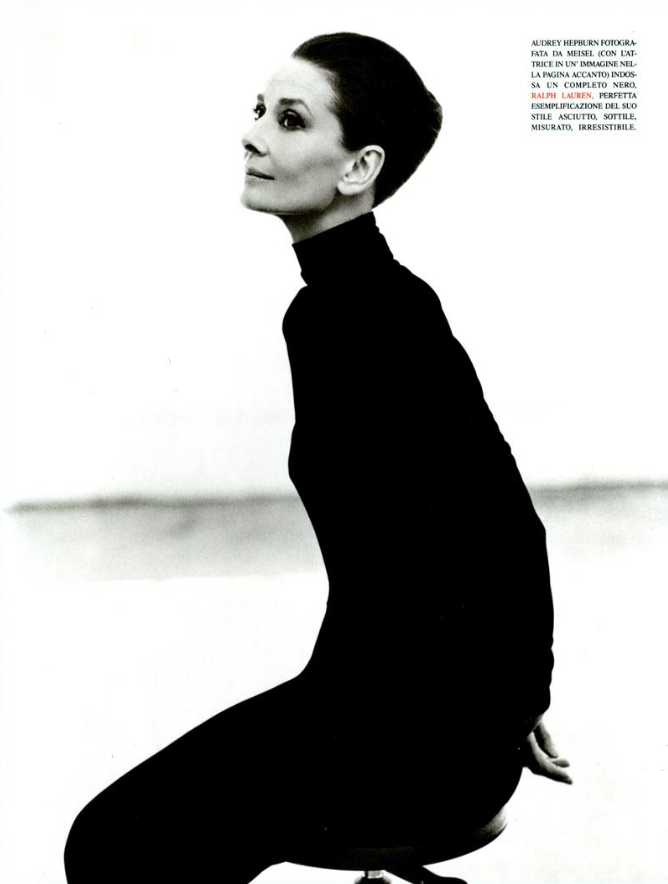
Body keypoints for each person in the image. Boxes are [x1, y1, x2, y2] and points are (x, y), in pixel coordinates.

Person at [64, 31, 571, 884]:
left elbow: (503, 525)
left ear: (359, 167)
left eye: (290, 120)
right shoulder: (347, 306)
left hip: (413, 733)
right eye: (259, 110)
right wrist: (510, 689)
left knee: (116, 849)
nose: (253, 134)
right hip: (384, 699)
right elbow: (467, 526)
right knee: (118, 842)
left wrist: (511, 696)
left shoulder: (372, 316)